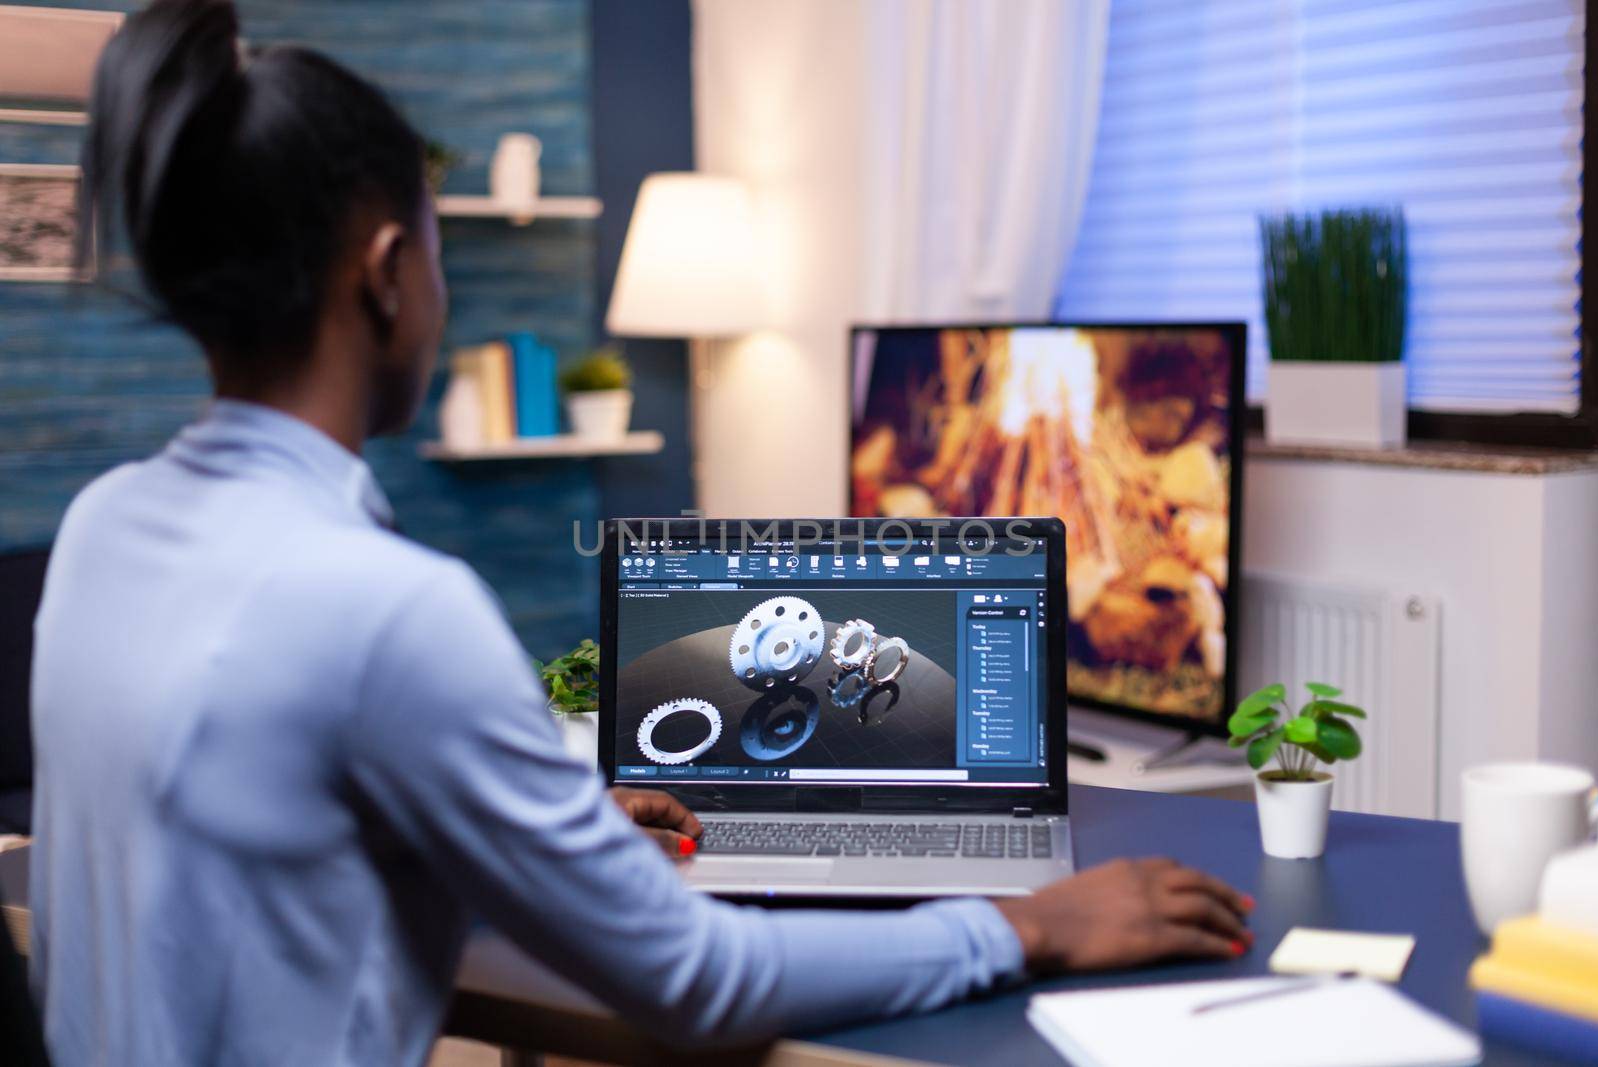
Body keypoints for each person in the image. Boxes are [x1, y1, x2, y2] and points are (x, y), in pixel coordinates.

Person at [28, 2, 1253, 1064]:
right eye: (442, 254)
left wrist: (537, 816)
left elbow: (262, 831)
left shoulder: (103, 529)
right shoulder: (385, 605)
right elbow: (693, 980)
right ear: (390, 270)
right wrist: (1030, 923)